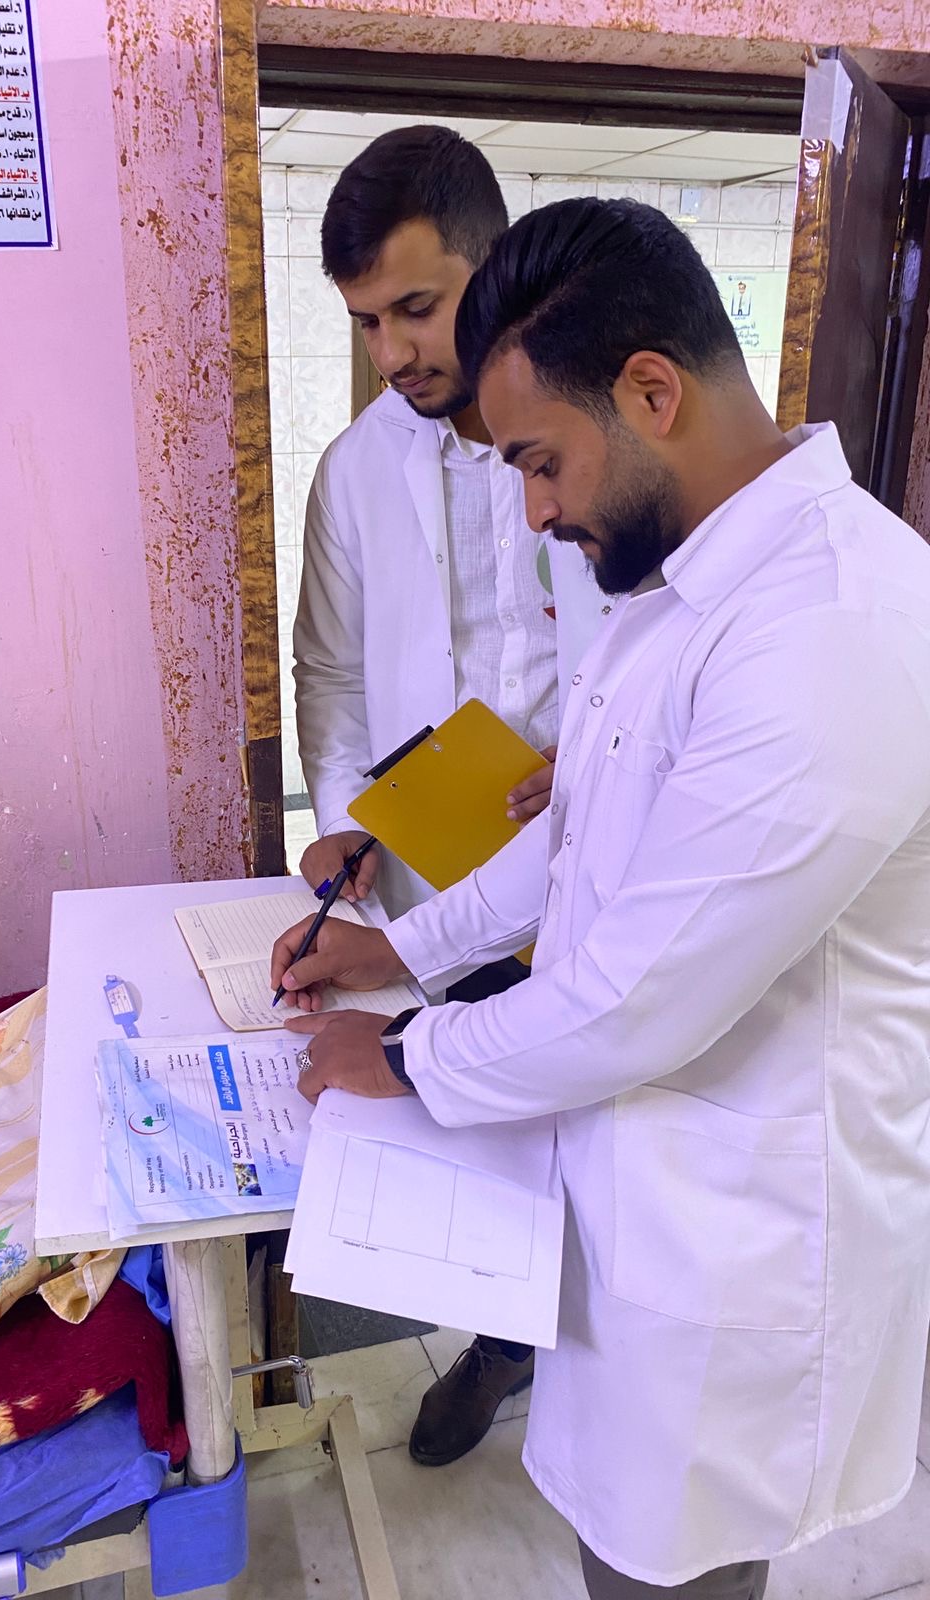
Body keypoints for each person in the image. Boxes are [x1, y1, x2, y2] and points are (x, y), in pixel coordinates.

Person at [272, 198, 930, 1599]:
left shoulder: (834, 626)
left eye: (541, 462)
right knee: (619, 1543)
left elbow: (639, 996)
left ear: (650, 392)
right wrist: (400, 950)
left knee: (674, 1569)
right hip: (636, 1193)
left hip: (737, 1251)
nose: (536, 510)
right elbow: (575, 835)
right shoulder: (675, 593)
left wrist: (404, 1053)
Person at [293, 126, 605, 1465]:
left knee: (592, 1119)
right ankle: (495, 1341)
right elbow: (329, 666)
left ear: (493, 264)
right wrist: (341, 814)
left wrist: (593, 757)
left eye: (416, 307)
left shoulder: (589, 440)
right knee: (476, 1126)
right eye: (367, 321)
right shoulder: (356, 467)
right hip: (438, 858)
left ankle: (577, 1357)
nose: (392, 351)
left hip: (593, 850)